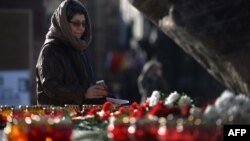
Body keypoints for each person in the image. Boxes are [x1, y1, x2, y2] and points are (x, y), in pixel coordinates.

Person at [36, 0, 107, 106]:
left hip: (78, 117)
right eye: (76, 23)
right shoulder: (51, 49)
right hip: (55, 118)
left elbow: (83, 85)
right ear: (63, 23)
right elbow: (51, 87)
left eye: (84, 24)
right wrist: (84, 93)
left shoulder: (79, 48)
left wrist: (97, 92)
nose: (81, 28)